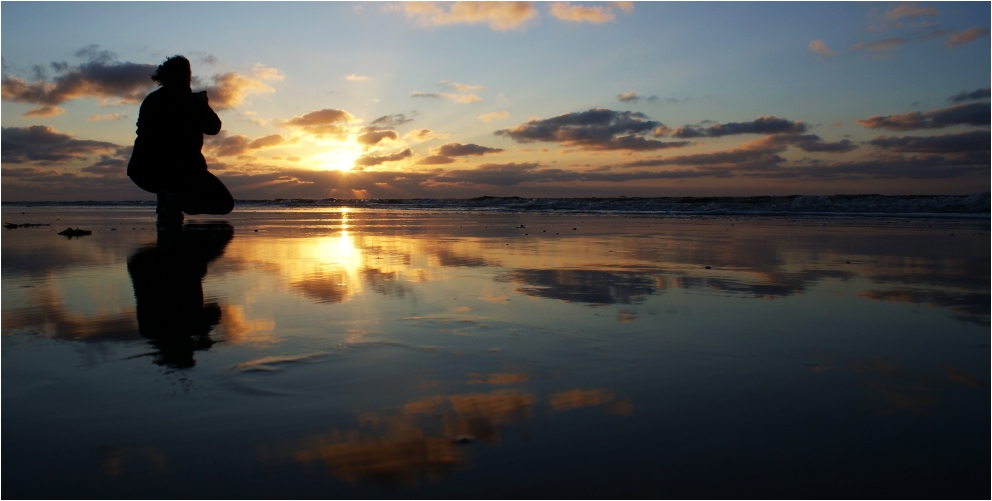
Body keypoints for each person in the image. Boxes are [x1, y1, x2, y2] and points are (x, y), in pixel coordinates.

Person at [127, 55, 234, 226]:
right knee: (224, 203)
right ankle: (175, 201)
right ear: (185, 77)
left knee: (174, 186)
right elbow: (214, 127)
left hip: (143, 169)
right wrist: (202, 104)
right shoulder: (190, 101)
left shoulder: (152, 100)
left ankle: (170, 200)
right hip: (180, 169)